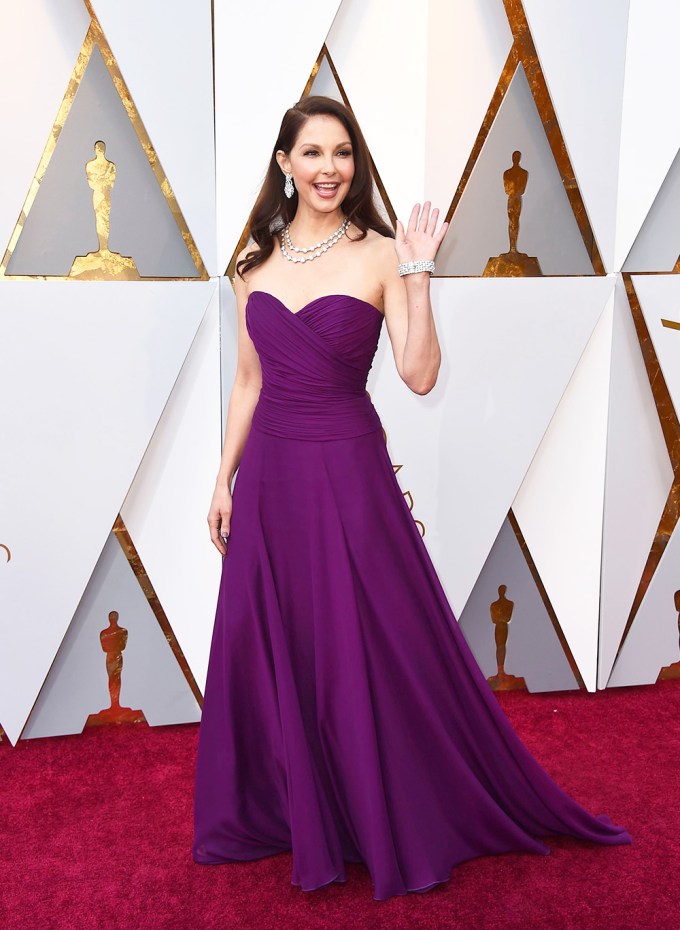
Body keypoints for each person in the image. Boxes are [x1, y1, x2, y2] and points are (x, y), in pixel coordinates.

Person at [192, 95, 631, 901]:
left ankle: (380, 806)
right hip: (272, 483)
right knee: (283, 642)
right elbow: (250, 381)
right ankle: (301, 807)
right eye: (314, 153)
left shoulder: (384, 254)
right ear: (284, 164)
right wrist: (223, 477)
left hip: (349, 473)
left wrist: (421, 274)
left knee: (368, 642)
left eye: (343, 153)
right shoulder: (250, 267)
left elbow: (420, 375)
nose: (330, 168)